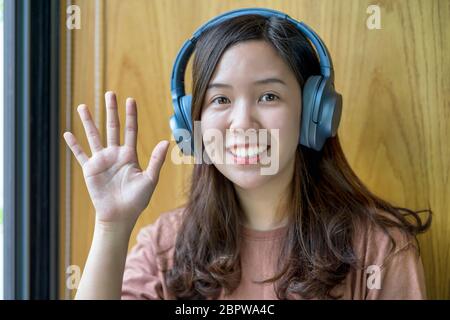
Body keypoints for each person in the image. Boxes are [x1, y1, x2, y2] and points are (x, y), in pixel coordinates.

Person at [63, 11, 431, 300]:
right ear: (194, 126)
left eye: (268, 96)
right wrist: (112, 227)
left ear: (312, 113)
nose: (242, 123)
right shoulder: (165, 247)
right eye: (221, 99)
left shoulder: (379, 249)